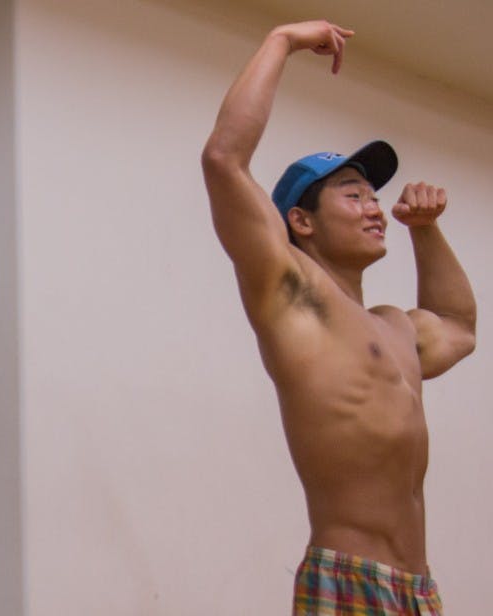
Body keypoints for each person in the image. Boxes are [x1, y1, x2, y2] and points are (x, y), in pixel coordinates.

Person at [201, 21, 476, 615]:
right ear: (301, 222)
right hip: (349, 578)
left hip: (417, 590)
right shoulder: (291, 296)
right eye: (353, 195)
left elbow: (458, 325)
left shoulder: (396, 327)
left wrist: (424, 232)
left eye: (374, 196)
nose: (374, 208)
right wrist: (282, 42)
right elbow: (224, 159)